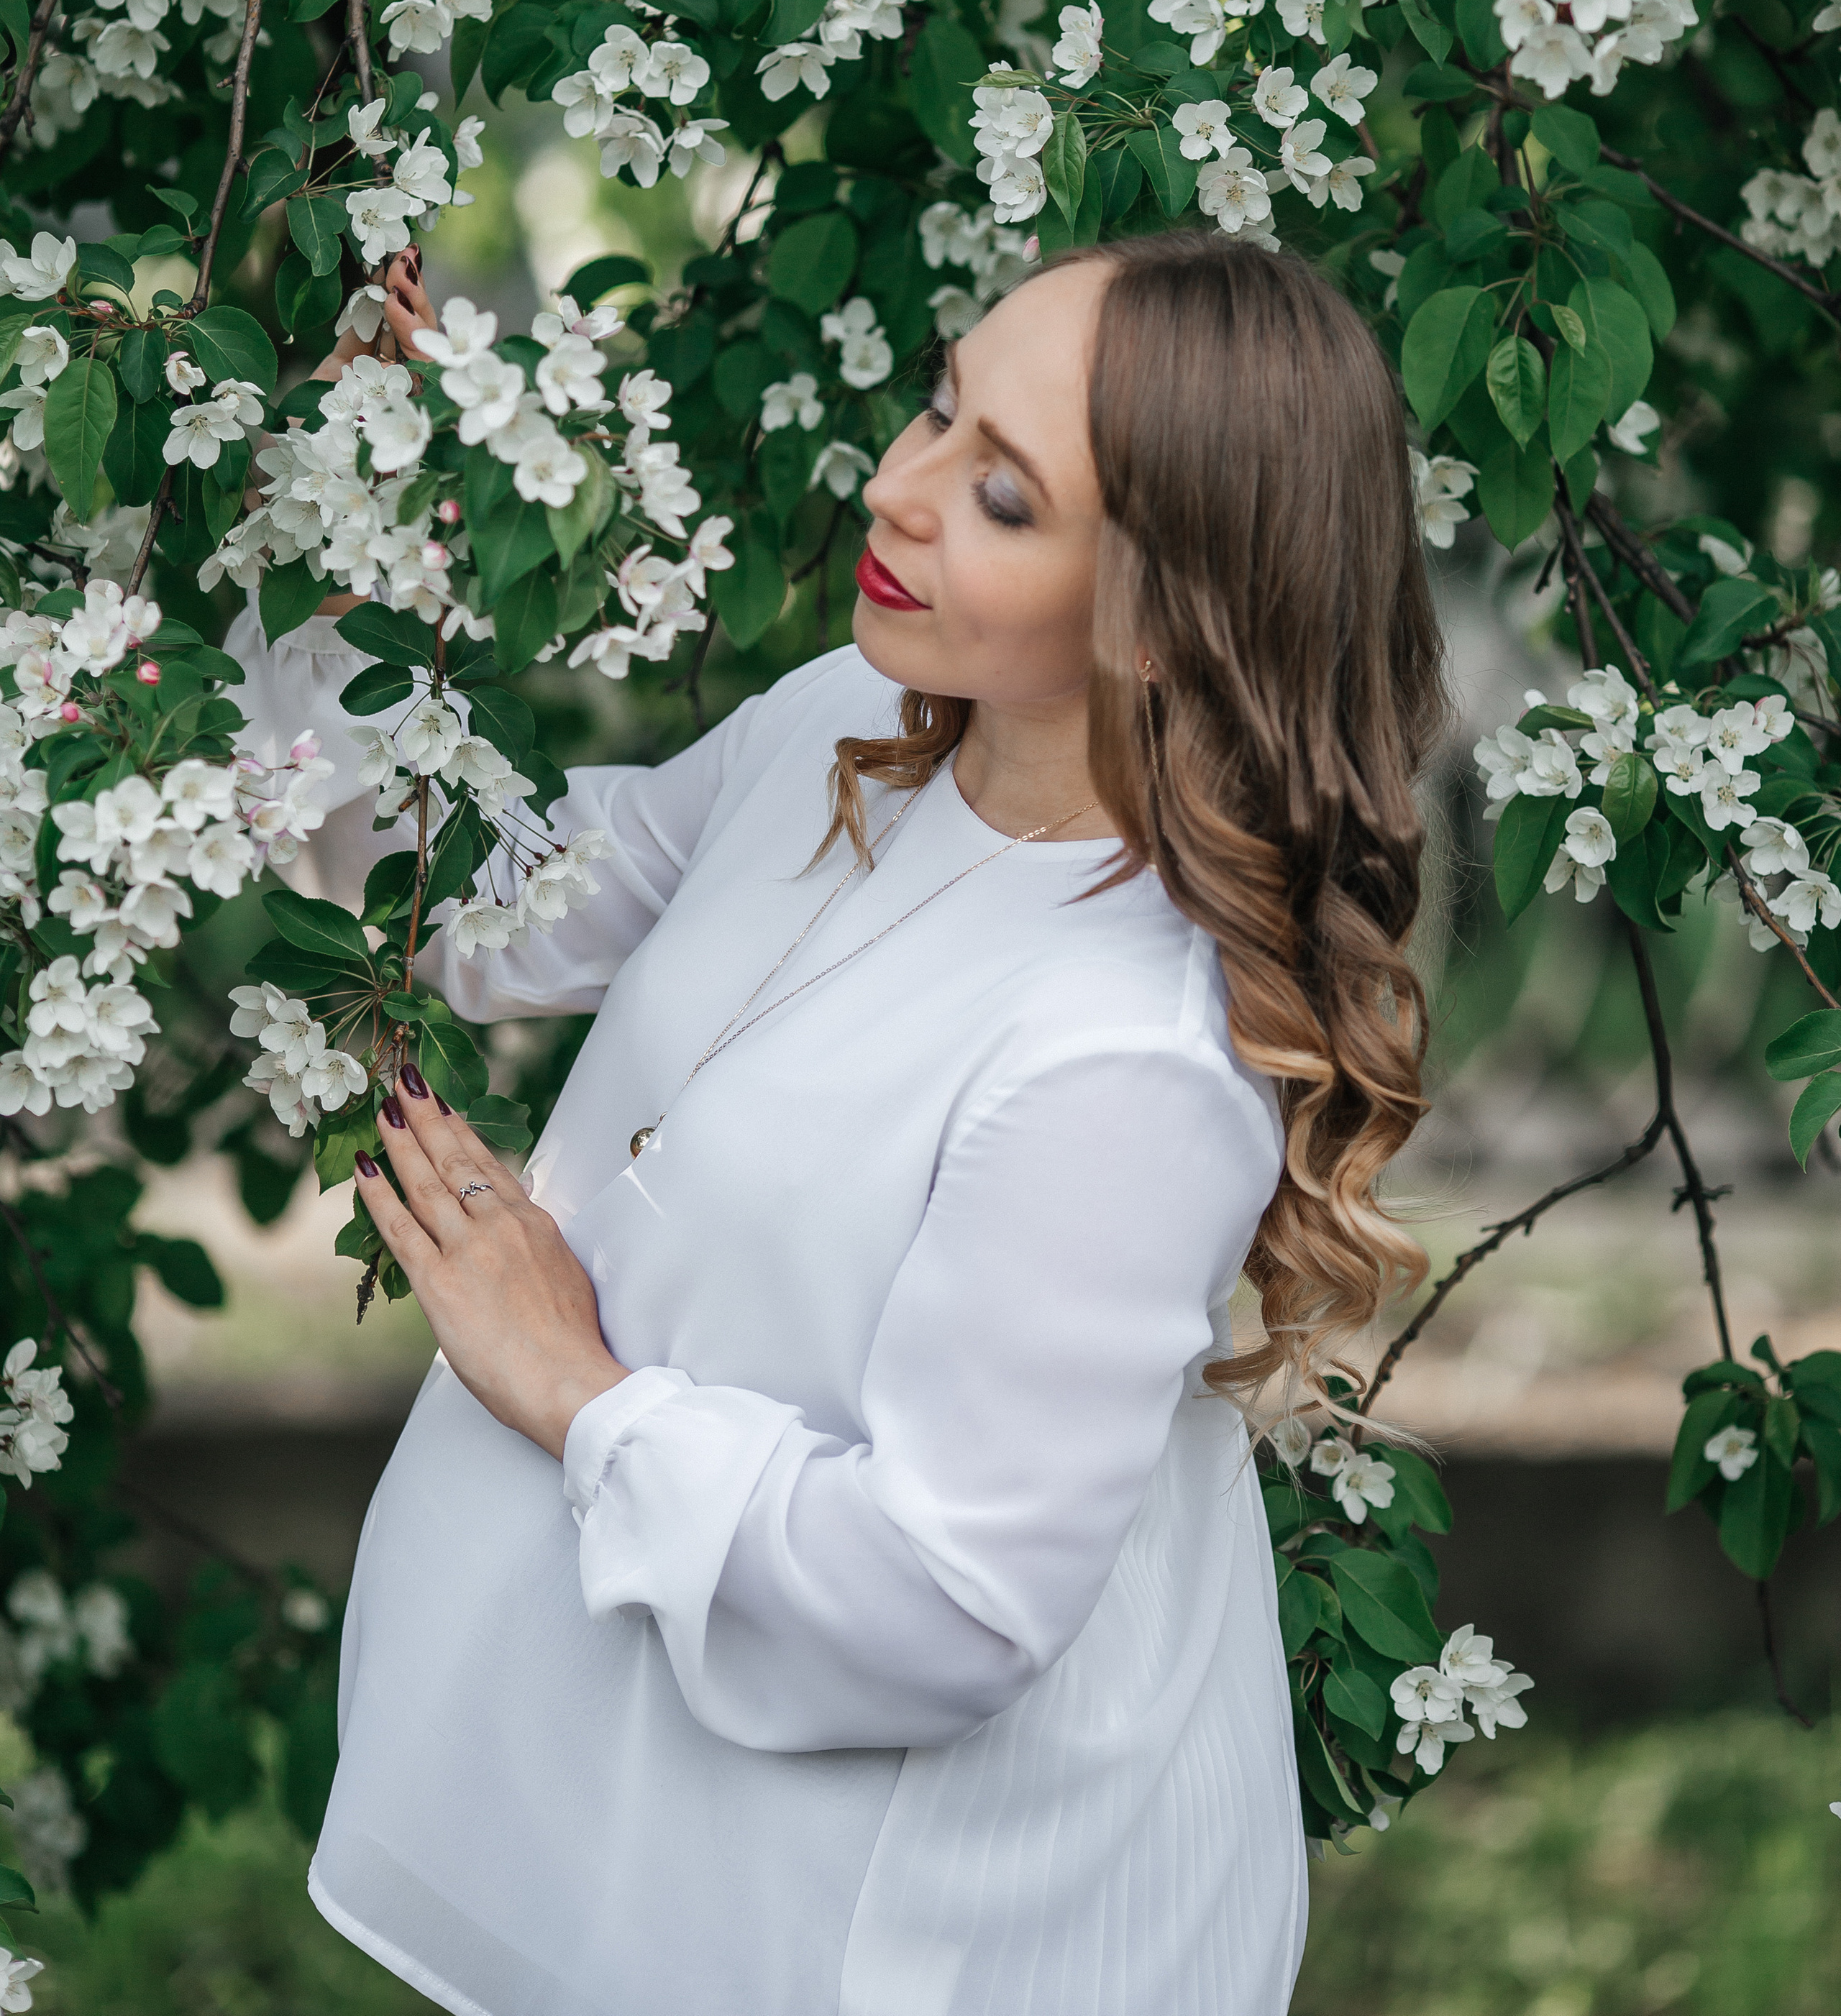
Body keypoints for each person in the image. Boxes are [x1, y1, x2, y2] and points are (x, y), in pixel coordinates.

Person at [227, 230, 1447, 2016]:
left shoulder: (1124, 1056)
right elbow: (462, 905)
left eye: (1004, 495)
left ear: (1164, 607)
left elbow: (943, 1606)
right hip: (636, 1822)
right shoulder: (859, 721)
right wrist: (348, 534)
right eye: (939, 407)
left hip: (895, 1936)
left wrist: (570, 1383)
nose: (897, 485)